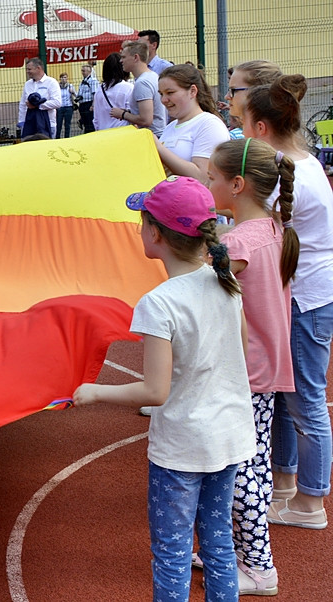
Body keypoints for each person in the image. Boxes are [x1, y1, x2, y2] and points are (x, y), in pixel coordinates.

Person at [73, 176, 254, 602]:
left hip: (183, 448)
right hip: (229, 437)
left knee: (172, 552)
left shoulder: (159, 302)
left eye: (141, 222)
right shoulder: (225, 283)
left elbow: (155, 391)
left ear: (155, 233)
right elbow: (241, 352)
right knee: (219, 546)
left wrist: (96, 393)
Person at [238, 75, 333, 531]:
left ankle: (311, 504)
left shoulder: (284, 176)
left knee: (306, 401)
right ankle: (287, 485)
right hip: (306, 291)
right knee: (289, 395)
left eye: (239, 124)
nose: (236, 132)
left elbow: (259, 231)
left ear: (259, 129)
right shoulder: (300, 162)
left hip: (307, 297)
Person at [205, 137, 298, 595]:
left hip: (249, 370)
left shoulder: (240, 242)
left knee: (245, 469)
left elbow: (205, 277)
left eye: (213, 178)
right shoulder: (273, 228)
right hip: (262, 366)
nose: (207, 182)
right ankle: (231, 549)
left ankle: (259, 567)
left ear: (237, 185)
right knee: (248, 463)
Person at [153, 64, 229, 183]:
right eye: (161, 94)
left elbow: (203, 178)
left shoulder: (209, 124)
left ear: (193, 91)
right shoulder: (170, 127)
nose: (163, 100)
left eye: (170, 92)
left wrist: (158, 147)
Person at [111, 40, 166, 136]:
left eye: (124, 57)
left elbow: (146, 120)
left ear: (136, 57)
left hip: (152, 137)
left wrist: (123, 115)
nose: (121, 61)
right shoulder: (152, 76)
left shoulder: (142, 83)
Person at [18, 58, 62, 138]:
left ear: (38, 68)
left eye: (29, 69)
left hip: (48, 123)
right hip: (30, 125)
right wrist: (21, 122)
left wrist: (38, 106)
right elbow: (23, 104)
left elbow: (57, 102)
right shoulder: (27, 84)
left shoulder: (51, 82)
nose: (27, 72)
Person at [93, 52, 134, 131]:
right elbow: (133, 113)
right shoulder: (129, 88)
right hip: (123, 132)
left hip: (103, 133)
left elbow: (96, 119)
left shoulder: (99, 91)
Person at [77, 64, 99, 134]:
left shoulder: (93, 81)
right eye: (82, 71)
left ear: (89, 71)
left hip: (88, 104)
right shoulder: (83, 81)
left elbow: (95, 94)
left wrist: (93, 105)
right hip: (82, 104)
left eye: (84, 71)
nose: (82, 72)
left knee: (90, 123)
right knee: (85, 123)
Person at [56, 72, 77, 138]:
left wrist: (73, 92)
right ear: (60, 79)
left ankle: (67, 137)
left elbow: (76, 95)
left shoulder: (70, 86)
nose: (63, 79)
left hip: (68, 107)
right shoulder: (57, 87)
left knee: (67, 124)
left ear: (67, 78)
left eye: (65, 77)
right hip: (60, 107)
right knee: (59, 124)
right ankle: (57, 137)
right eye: (62, 77)